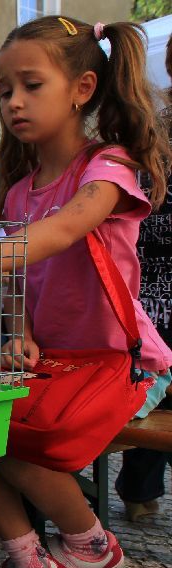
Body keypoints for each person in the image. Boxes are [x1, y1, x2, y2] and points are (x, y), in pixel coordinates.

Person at [0, 17, 172, 568]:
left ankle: (86, 542)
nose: (13, 102)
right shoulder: (19, 189)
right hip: (56, 364)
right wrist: (18, 330)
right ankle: (35, 564)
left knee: (26, 444)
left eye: (30, 84)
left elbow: (65, 231)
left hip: (124, 364)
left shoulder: (107, 167)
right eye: (3, 89)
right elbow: (25, 279)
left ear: (82, 88)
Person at [114, 33, 172, 522]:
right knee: (150, 387)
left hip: (147, 287)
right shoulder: (153, 131)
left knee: (150, 388)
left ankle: (140, 487)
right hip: (149, 287)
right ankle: (139, 486)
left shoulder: (153, 127)